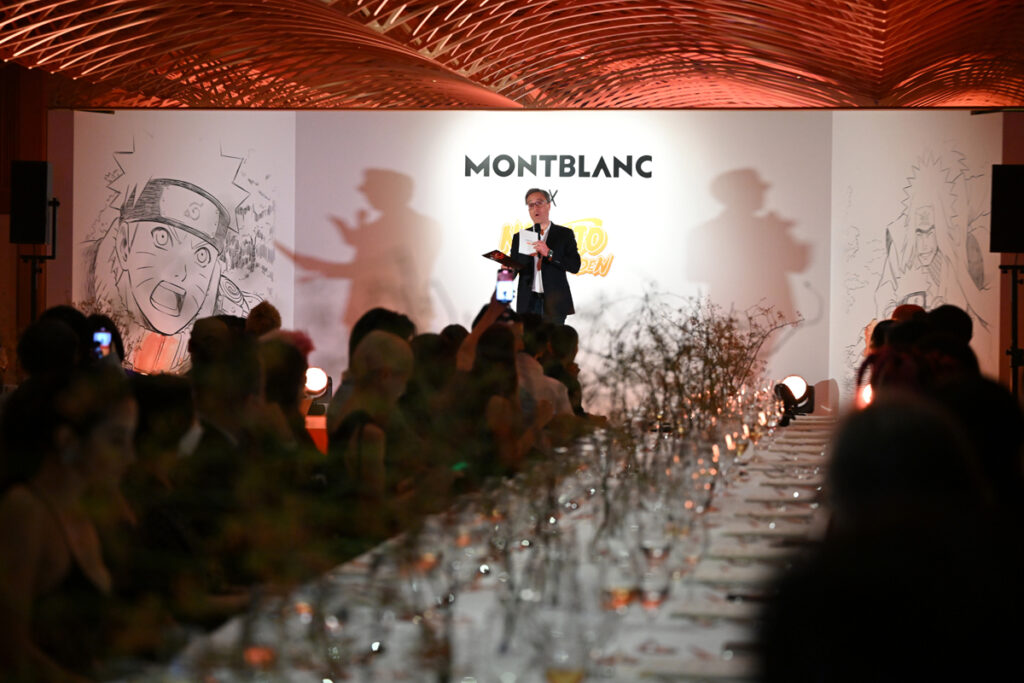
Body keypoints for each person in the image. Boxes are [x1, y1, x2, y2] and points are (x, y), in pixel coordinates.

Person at [508, 189, 581, 324]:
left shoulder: (564, 234)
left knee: (553, 338)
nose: (535, 208)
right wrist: (507, 271)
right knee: (529, 338)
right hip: (528, 304)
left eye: (539, 203)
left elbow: (575, 266)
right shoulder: (520, 237)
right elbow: (513, 272)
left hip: (555, 303)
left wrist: (549, 253)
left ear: (548, 205)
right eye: (531, 205)